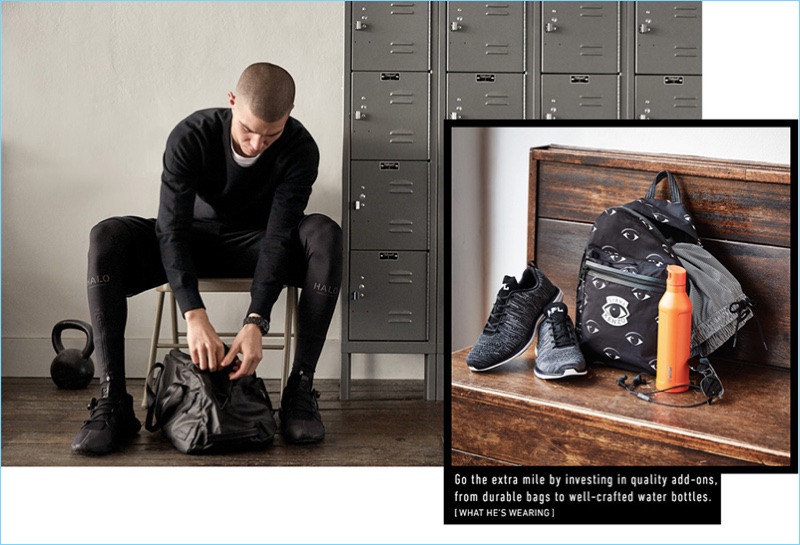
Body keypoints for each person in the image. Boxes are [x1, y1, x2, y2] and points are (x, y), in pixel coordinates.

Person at [72, 62, 342, 455]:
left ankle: (299, 391)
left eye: (271, 134)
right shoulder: (191, 136)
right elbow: (171, 228)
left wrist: (256, 321)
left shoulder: (300, 148)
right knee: (106, 235)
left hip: (260, 245)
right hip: (192, 243)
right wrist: (193, 313)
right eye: (248, 130)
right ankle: (113, 400)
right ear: (232, 102)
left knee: (325, 233)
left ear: (290, 114)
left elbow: (279, 236)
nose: (256, 144)